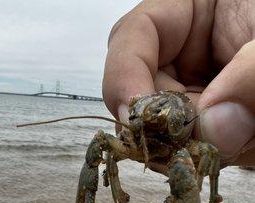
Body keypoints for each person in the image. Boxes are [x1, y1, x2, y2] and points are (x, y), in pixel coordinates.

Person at [102, 0, 255, 173]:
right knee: (101, 141)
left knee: (204, 155)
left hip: (183, 139)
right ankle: (111, 183)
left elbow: (209, 151)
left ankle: (210, 196)